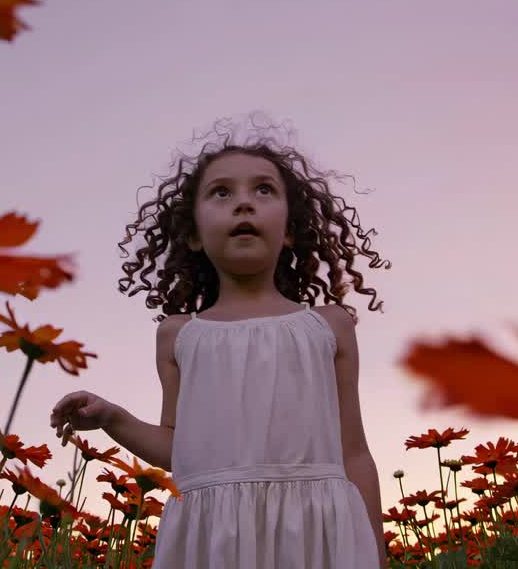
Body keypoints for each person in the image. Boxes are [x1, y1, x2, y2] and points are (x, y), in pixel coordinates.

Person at [49, 134, 391, 568]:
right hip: (213, 539)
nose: (243, 204)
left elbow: (354, 452)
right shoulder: (178, 335)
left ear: (288, 229)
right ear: (192, 234)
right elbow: (180, 448)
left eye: (263, 189)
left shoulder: (328, 325)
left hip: (316, 533)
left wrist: (374, 551)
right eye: (222, 192)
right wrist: (113, 418)